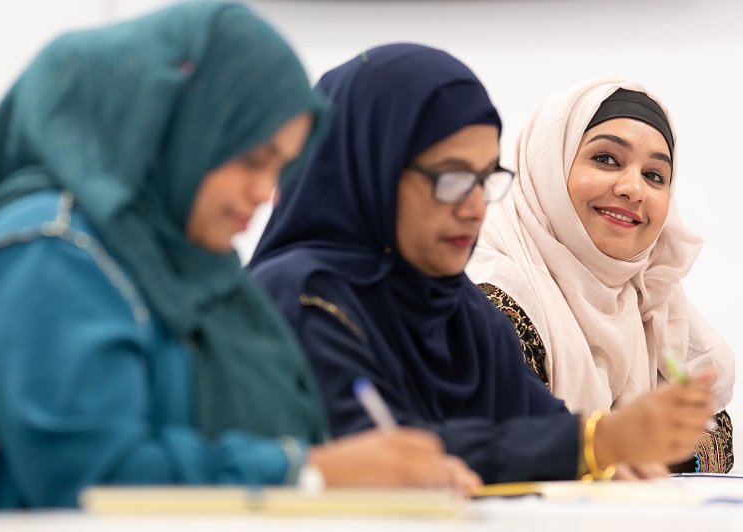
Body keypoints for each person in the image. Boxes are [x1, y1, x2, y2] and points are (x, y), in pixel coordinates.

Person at [0, 3, 481, 510]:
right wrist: (311, 473)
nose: (266, 191)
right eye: (252, 159)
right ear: (175, 126)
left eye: (282, 168)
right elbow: (95, 479)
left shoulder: (189, 266)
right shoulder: (49, 251)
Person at [249, 44, 716, 484]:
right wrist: (595, 445)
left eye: (483, 179)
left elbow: (544, 429)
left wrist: (612, 453)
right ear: (371, 169)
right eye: (452, 178)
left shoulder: (460, 311)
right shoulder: (302, 297)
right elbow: (384, 460)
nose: (474, 207)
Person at [465, 79, 735, 473]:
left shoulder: (651, 295)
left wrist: (661, 448)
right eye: (606, 159)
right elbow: (508, 438)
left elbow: (715, 430)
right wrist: (625, 444)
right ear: (549, 168)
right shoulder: (490, 295)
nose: (633, 189)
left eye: (655, 176)